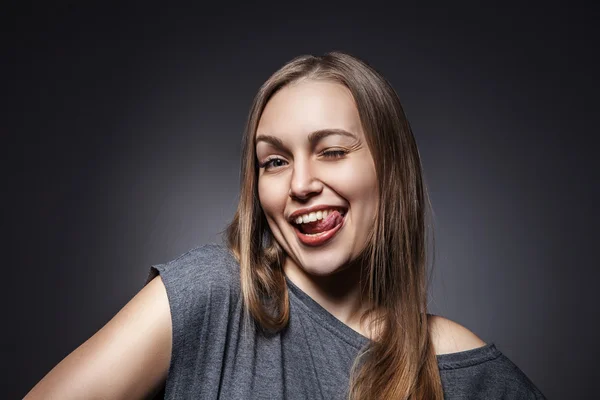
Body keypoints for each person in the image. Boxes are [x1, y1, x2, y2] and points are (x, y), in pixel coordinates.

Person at [24, 52, 546, 399]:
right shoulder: (211, 294)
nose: (301, 183)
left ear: (393, 167)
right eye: (274, 161)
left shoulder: (464, 370)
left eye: (333, 151)